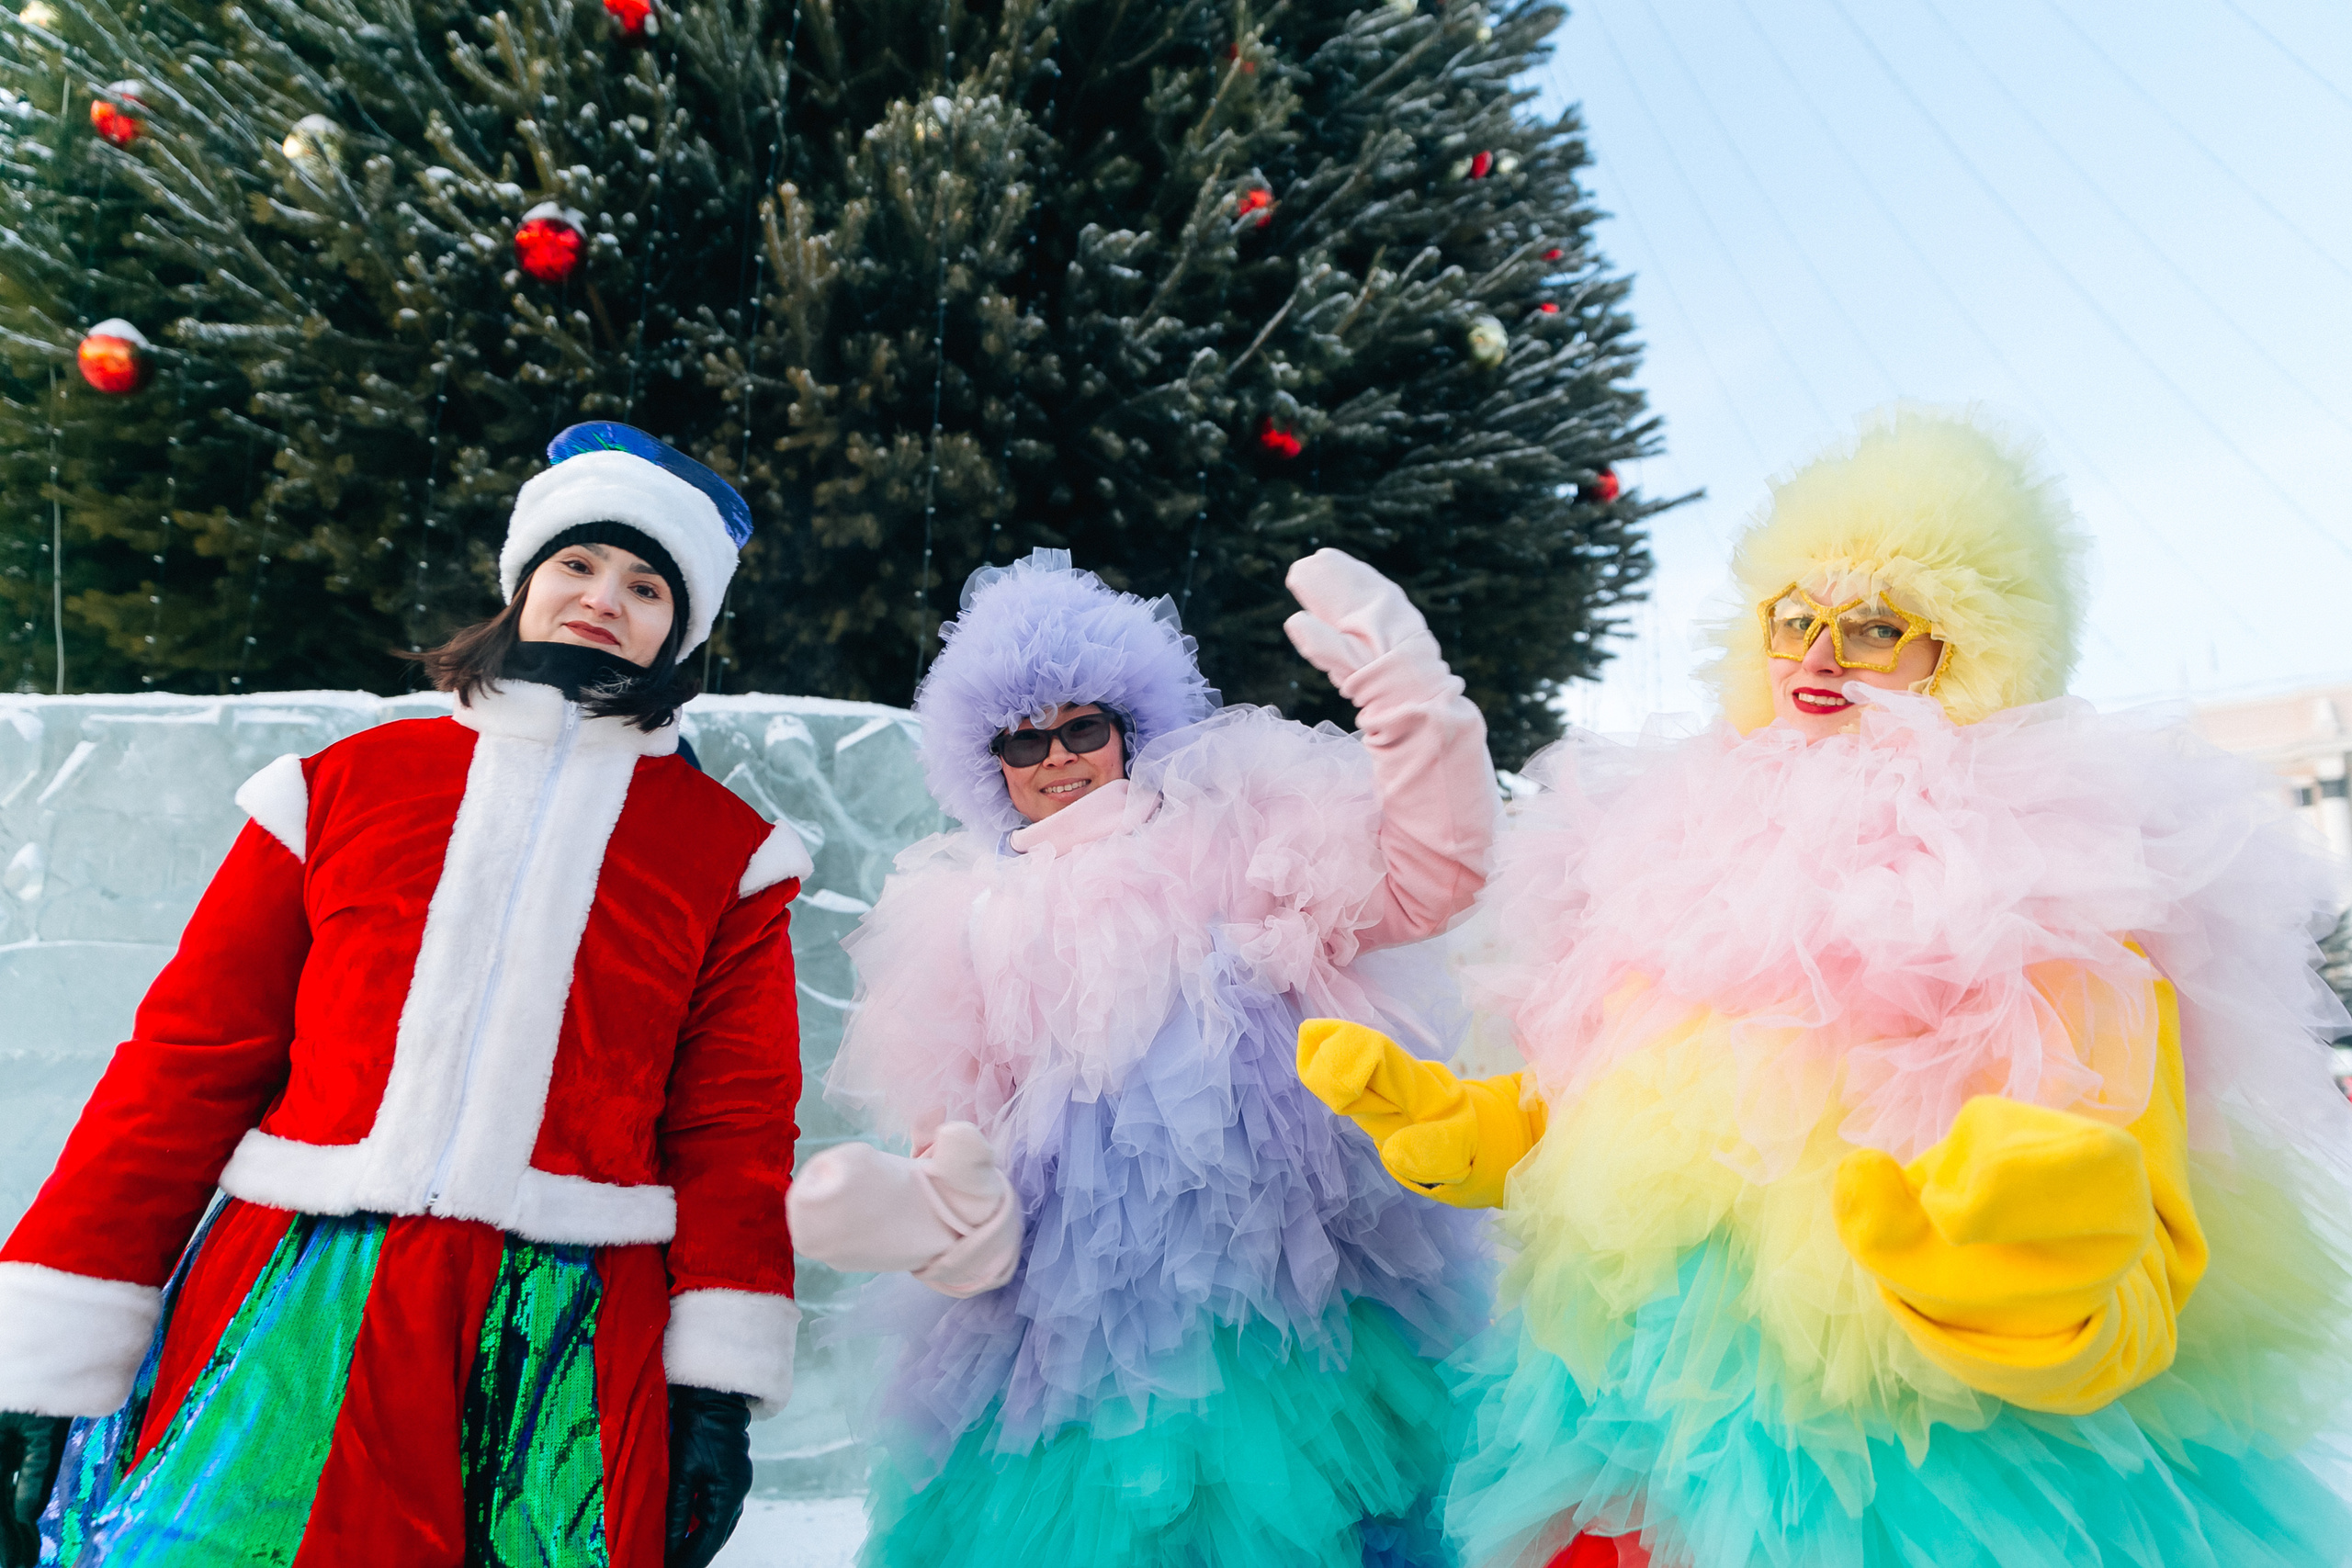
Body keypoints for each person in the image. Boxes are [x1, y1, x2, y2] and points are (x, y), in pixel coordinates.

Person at [1298, 408, 2352, 1567]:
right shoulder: (1669, 850)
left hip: (1911, 1469)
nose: (1815, 656)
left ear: (1966, 652)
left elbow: (2128, 1229)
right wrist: (1480, 1125)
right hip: (1638, 1420)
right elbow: (1611, 1107)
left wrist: (2024, 1285)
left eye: (1875, 627)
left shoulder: (2056, 876)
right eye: (1793, 617)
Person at [0, 423, 809, 1568]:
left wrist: (712, 1390)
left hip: (563, 1334)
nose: (602, 599)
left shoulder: (730, 858)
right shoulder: (339, 790)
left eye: (644, 585)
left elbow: (734, 1133)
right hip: (291, 1302)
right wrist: (45, 1356)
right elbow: (184, 1063)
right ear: (523, 582)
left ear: (681, 628)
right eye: (577, 566)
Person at [789, 547, 1498, 1567]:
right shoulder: (963, 919)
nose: (1056, 759)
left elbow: (1431, 878)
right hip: (1066, 1345)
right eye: (1022, 741)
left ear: (1132, 729)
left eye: (1083, 727)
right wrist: (932, 1216)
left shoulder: (1235, 838)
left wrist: (1410, 699)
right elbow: (960, 1146)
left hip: (1290, 1305)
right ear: (984, 763)